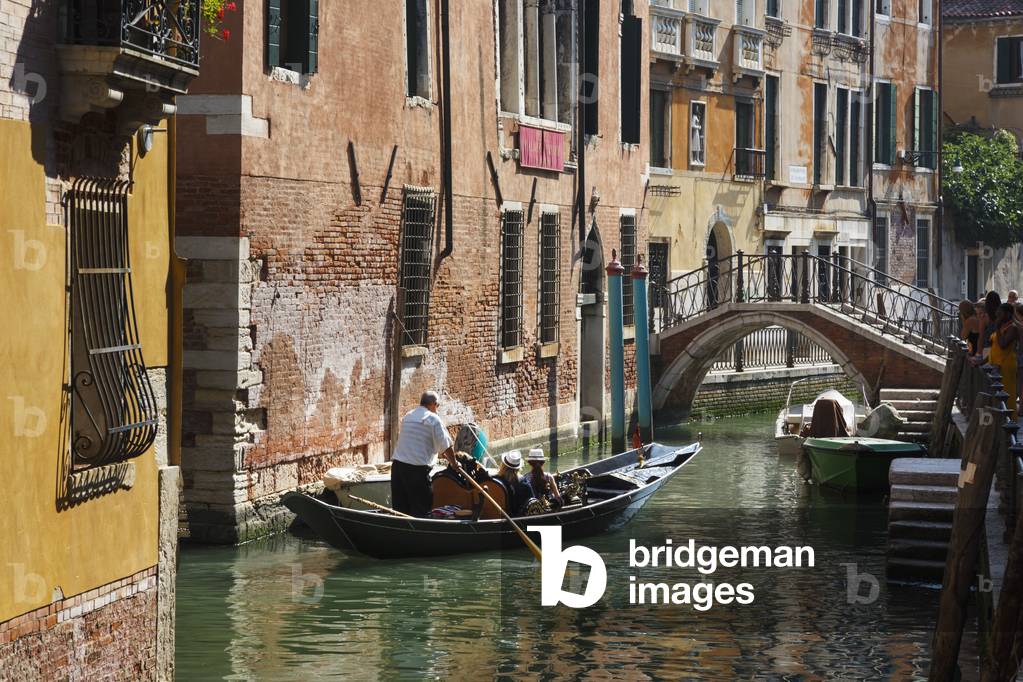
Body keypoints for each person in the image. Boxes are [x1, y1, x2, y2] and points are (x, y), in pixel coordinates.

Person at [390, 391, 455, 516]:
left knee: (400, 509)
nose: (437, 409)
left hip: (398, 468)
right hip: (416, 471)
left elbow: (419, 442)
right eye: (438, 406)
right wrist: (455, 464)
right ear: (433, 404)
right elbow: (446, 445)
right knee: (421, 508)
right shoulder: (433, 419)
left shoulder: (408, 415)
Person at [989, 303, 1019, 418]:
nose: (998, 316)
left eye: (1000, 314)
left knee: (1006, 394)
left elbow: (1002, 344)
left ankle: (1010, 420)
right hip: (996, 364)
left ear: (1008, 314)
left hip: (1006, 364)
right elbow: (994, 346)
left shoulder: (1012, 328)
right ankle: (1000, 421)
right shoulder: (1002, 326)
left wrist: (996, 327)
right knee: (997, 396)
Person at [494, 451, 532, 516]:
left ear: (503, 465)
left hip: (497, 516)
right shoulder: (524, 483)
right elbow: (531, 501)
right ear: (518, 468)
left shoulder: (495, 480)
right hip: (519, 519)